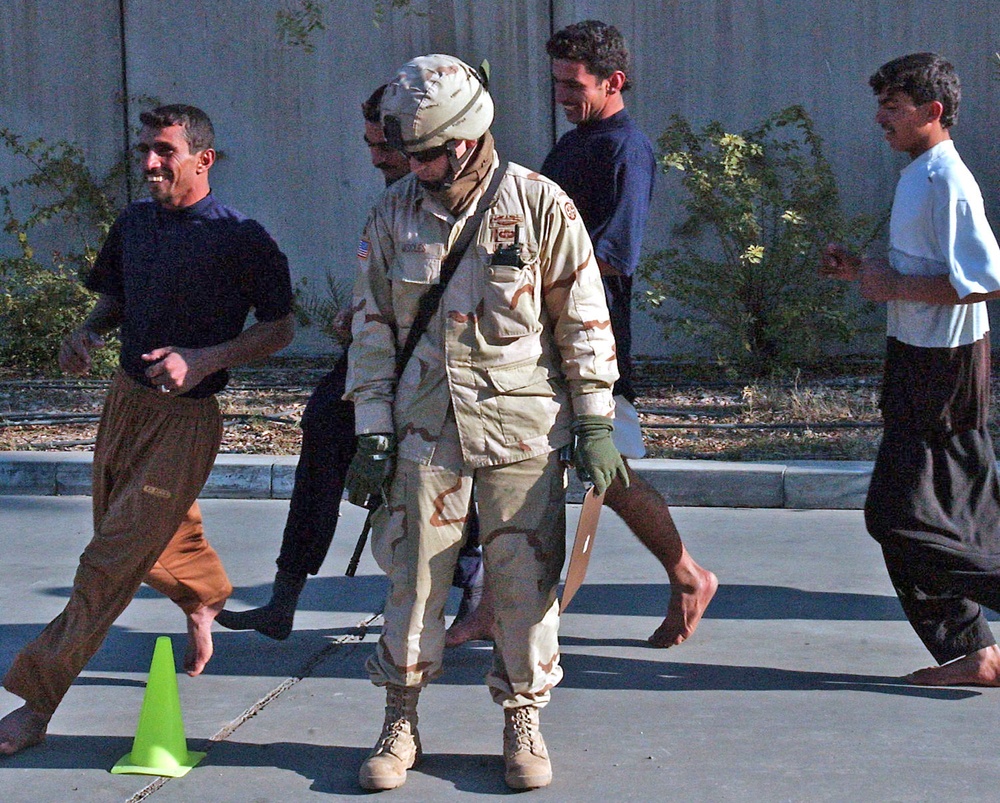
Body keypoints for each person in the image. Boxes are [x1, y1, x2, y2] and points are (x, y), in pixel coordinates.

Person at [345, 54, 623, 790]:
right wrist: (371, 427)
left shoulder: (538, 205)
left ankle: (522, 718)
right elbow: (372, 329)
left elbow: (583, 320)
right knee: (413, 583)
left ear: (465, 140)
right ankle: (400, 719)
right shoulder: (393, 214)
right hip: (424, 432)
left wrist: (596, 421)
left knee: (523, 585)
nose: (415, 166)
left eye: (426, 152)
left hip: (523, 433)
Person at [0, 104, 295, 755]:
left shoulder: (242, 238)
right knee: (136, 533)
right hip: (124, 404)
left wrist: (206, 359)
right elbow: (116, 297)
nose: (151, 164)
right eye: (145, 152)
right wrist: (86, 333)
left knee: (106, 562)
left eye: (164, 150)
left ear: (202, 159)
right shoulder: (135, 224)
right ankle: (204, 594)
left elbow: (281, 327)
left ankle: (33, 702)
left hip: (187, 420)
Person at [447, 19, 717, 650]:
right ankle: (489, 605)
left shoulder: (625, 149)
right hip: (536, 335)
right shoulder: (572, 145)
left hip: (592, 339)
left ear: (613, 82)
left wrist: (530, 276)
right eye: (558, 83)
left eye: (574, 84)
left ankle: (688, 574)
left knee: (608, 470)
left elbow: (614, 255)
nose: (563, 95)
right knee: (509, 460)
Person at [214, 85, 485, 640]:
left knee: (453, 469)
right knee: (324, 428)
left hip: (452, 363)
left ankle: (475, 587)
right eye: (370, 144)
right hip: (382, 351)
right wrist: (359, 313)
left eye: (384, 146)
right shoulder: (393, 201)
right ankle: (286, 594)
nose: (376, 157)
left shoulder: (467, 192)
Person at [821, 53, 1000, 686]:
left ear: (934, 112)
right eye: (882, 106)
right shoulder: (921, 174)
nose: (880, 119)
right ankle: (973, 653)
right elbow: (925, 271)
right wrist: (867, 273)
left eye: (894, 108)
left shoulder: (946, 178)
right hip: (925, 359)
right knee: (966, 509)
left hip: (941, 367)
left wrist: (893, 282)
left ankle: (971, 643)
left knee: (896, 516)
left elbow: (984, 280)